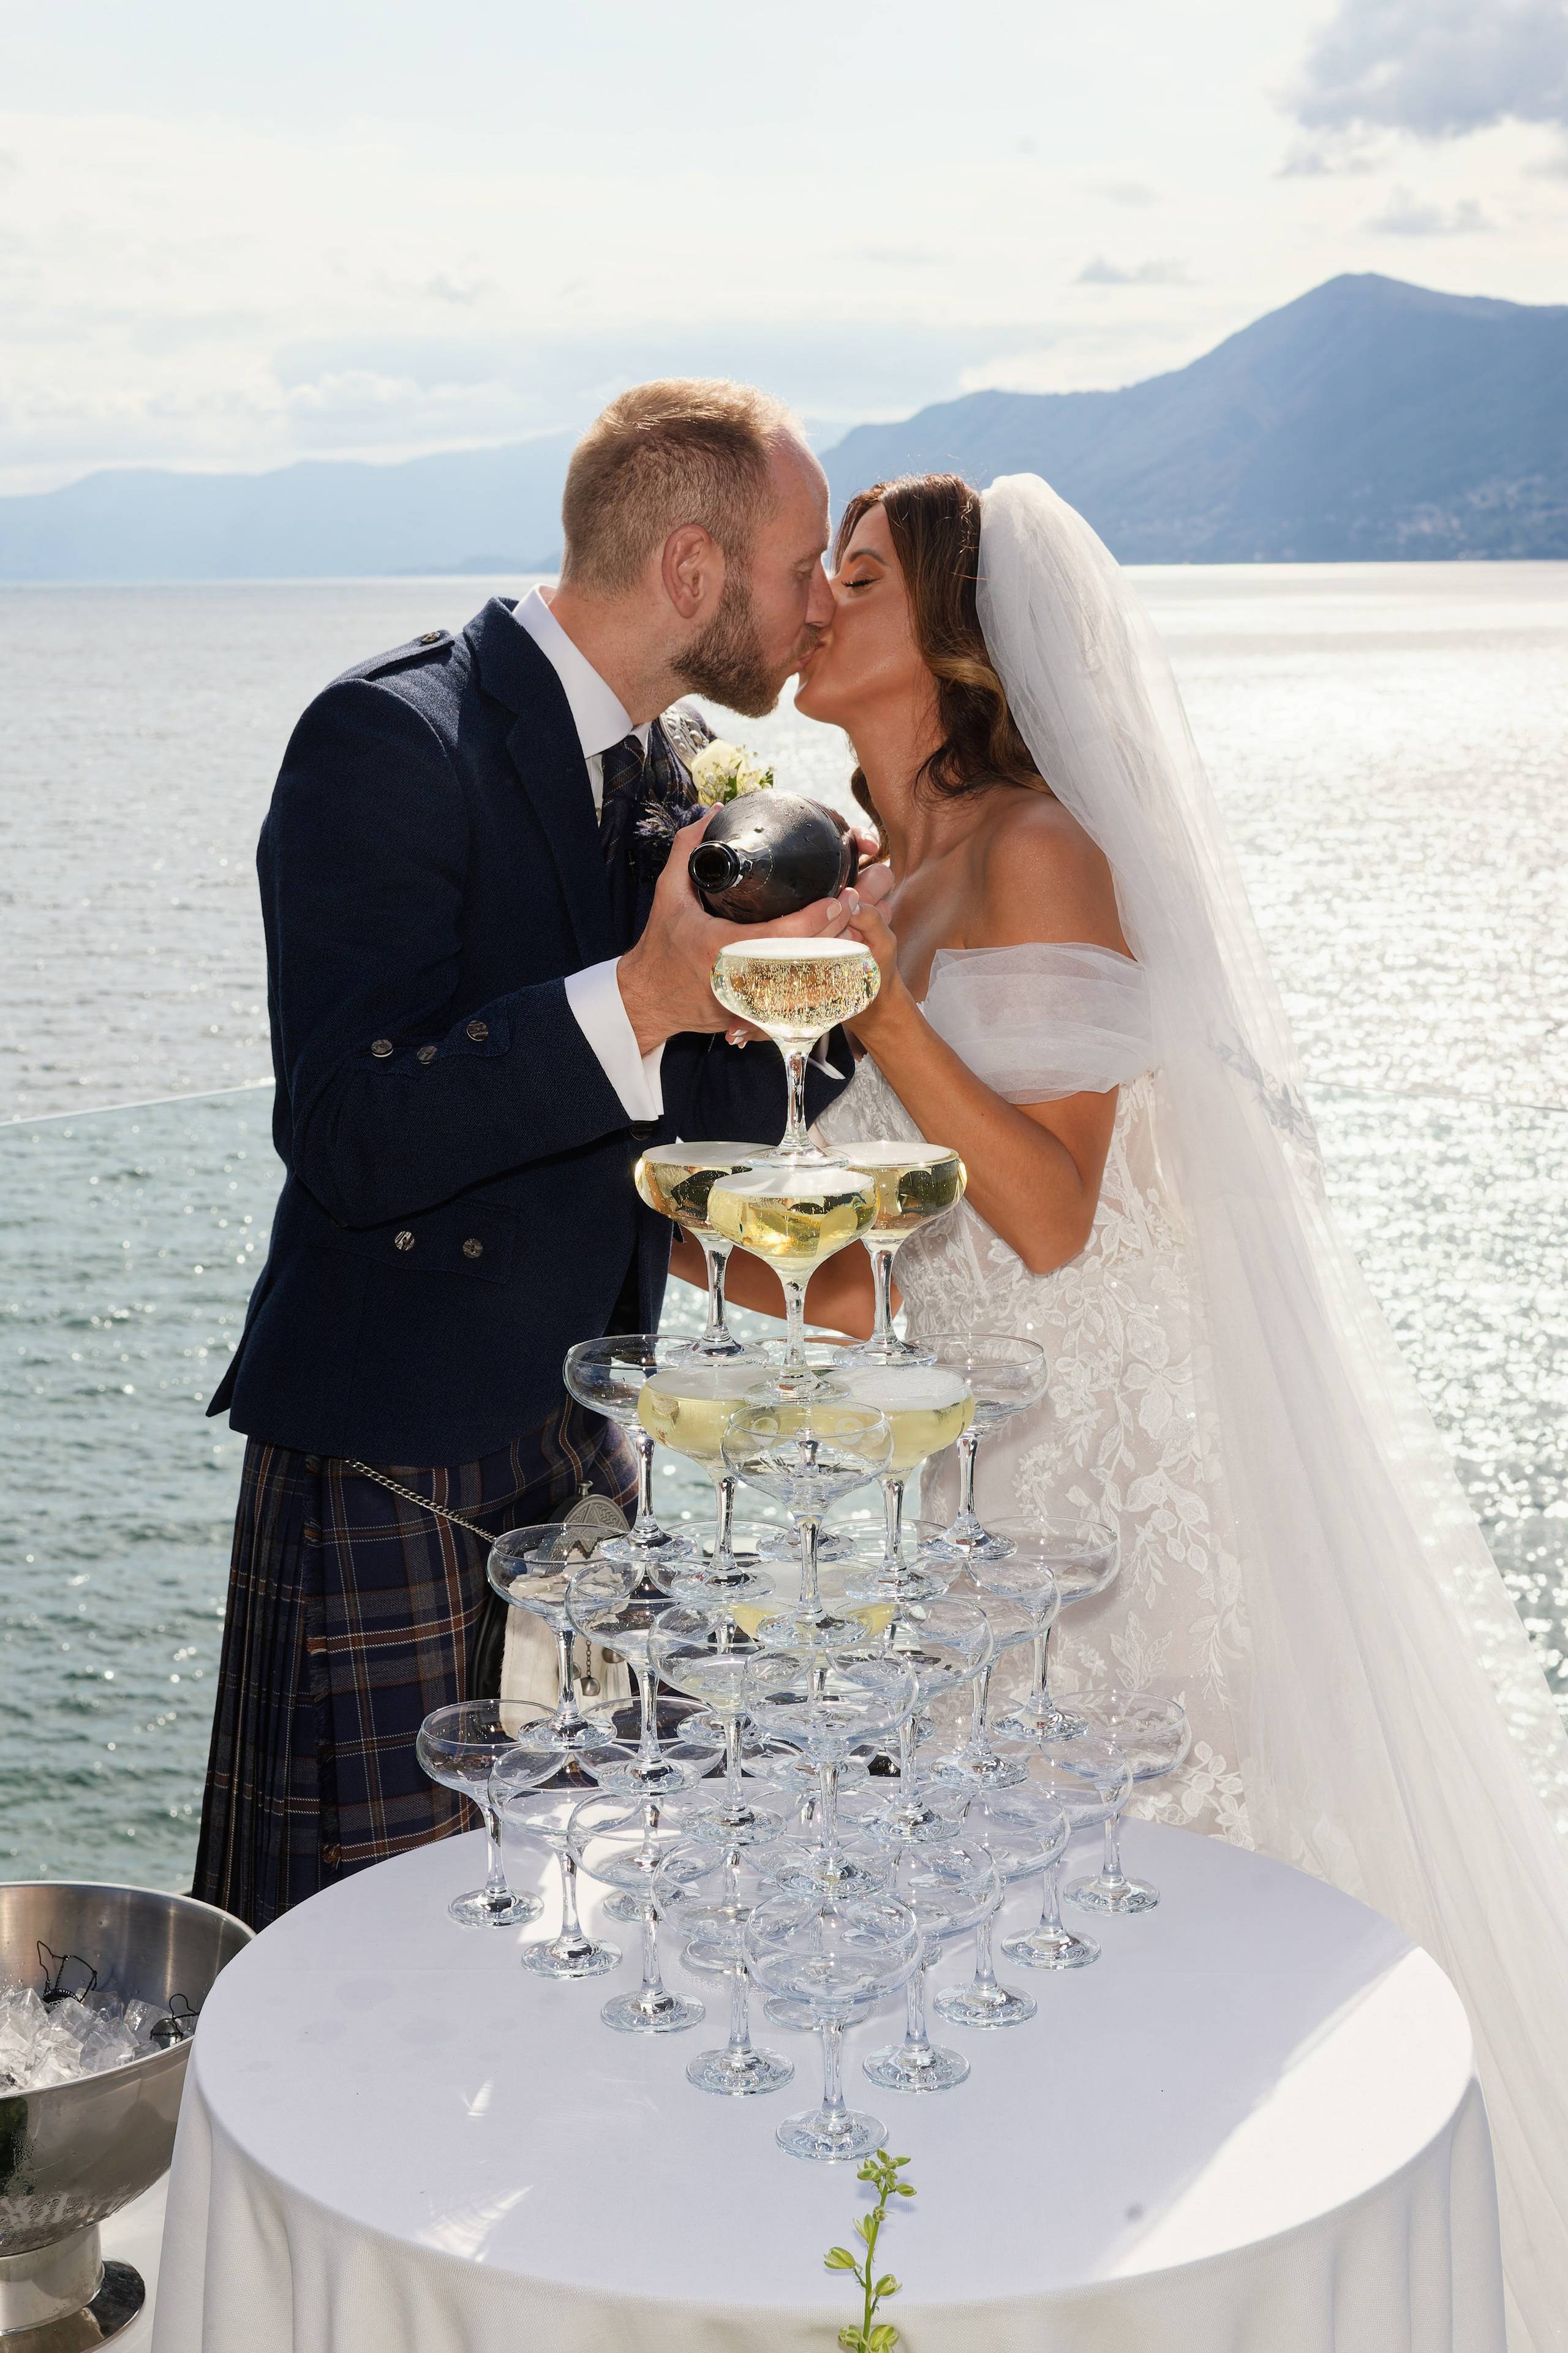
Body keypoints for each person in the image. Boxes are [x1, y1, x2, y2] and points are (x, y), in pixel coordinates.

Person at [686, 468, 1568, 2345]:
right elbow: (898, 1228)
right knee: (1000, 1941)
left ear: (953, 643)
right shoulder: (892, 866)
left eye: (855, 577)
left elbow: (1052, 1211)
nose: (816, 607)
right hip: (964, 1466)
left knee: (1137, 1925)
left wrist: (875, 1010)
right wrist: (713, 1260)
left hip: (1097, 1483)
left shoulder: (1034, 851)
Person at [192, 379, 867, 1933]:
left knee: (576, 1928)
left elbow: (703, 1110)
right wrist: (637, 988)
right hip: (390, 1451)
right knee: (348, 1968)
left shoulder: (672, 757)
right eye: (799, 561)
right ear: (690, 573)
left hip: (573, 1451)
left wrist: (826, 988)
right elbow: (348, 1136)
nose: (816, 600)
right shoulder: (388, 738)